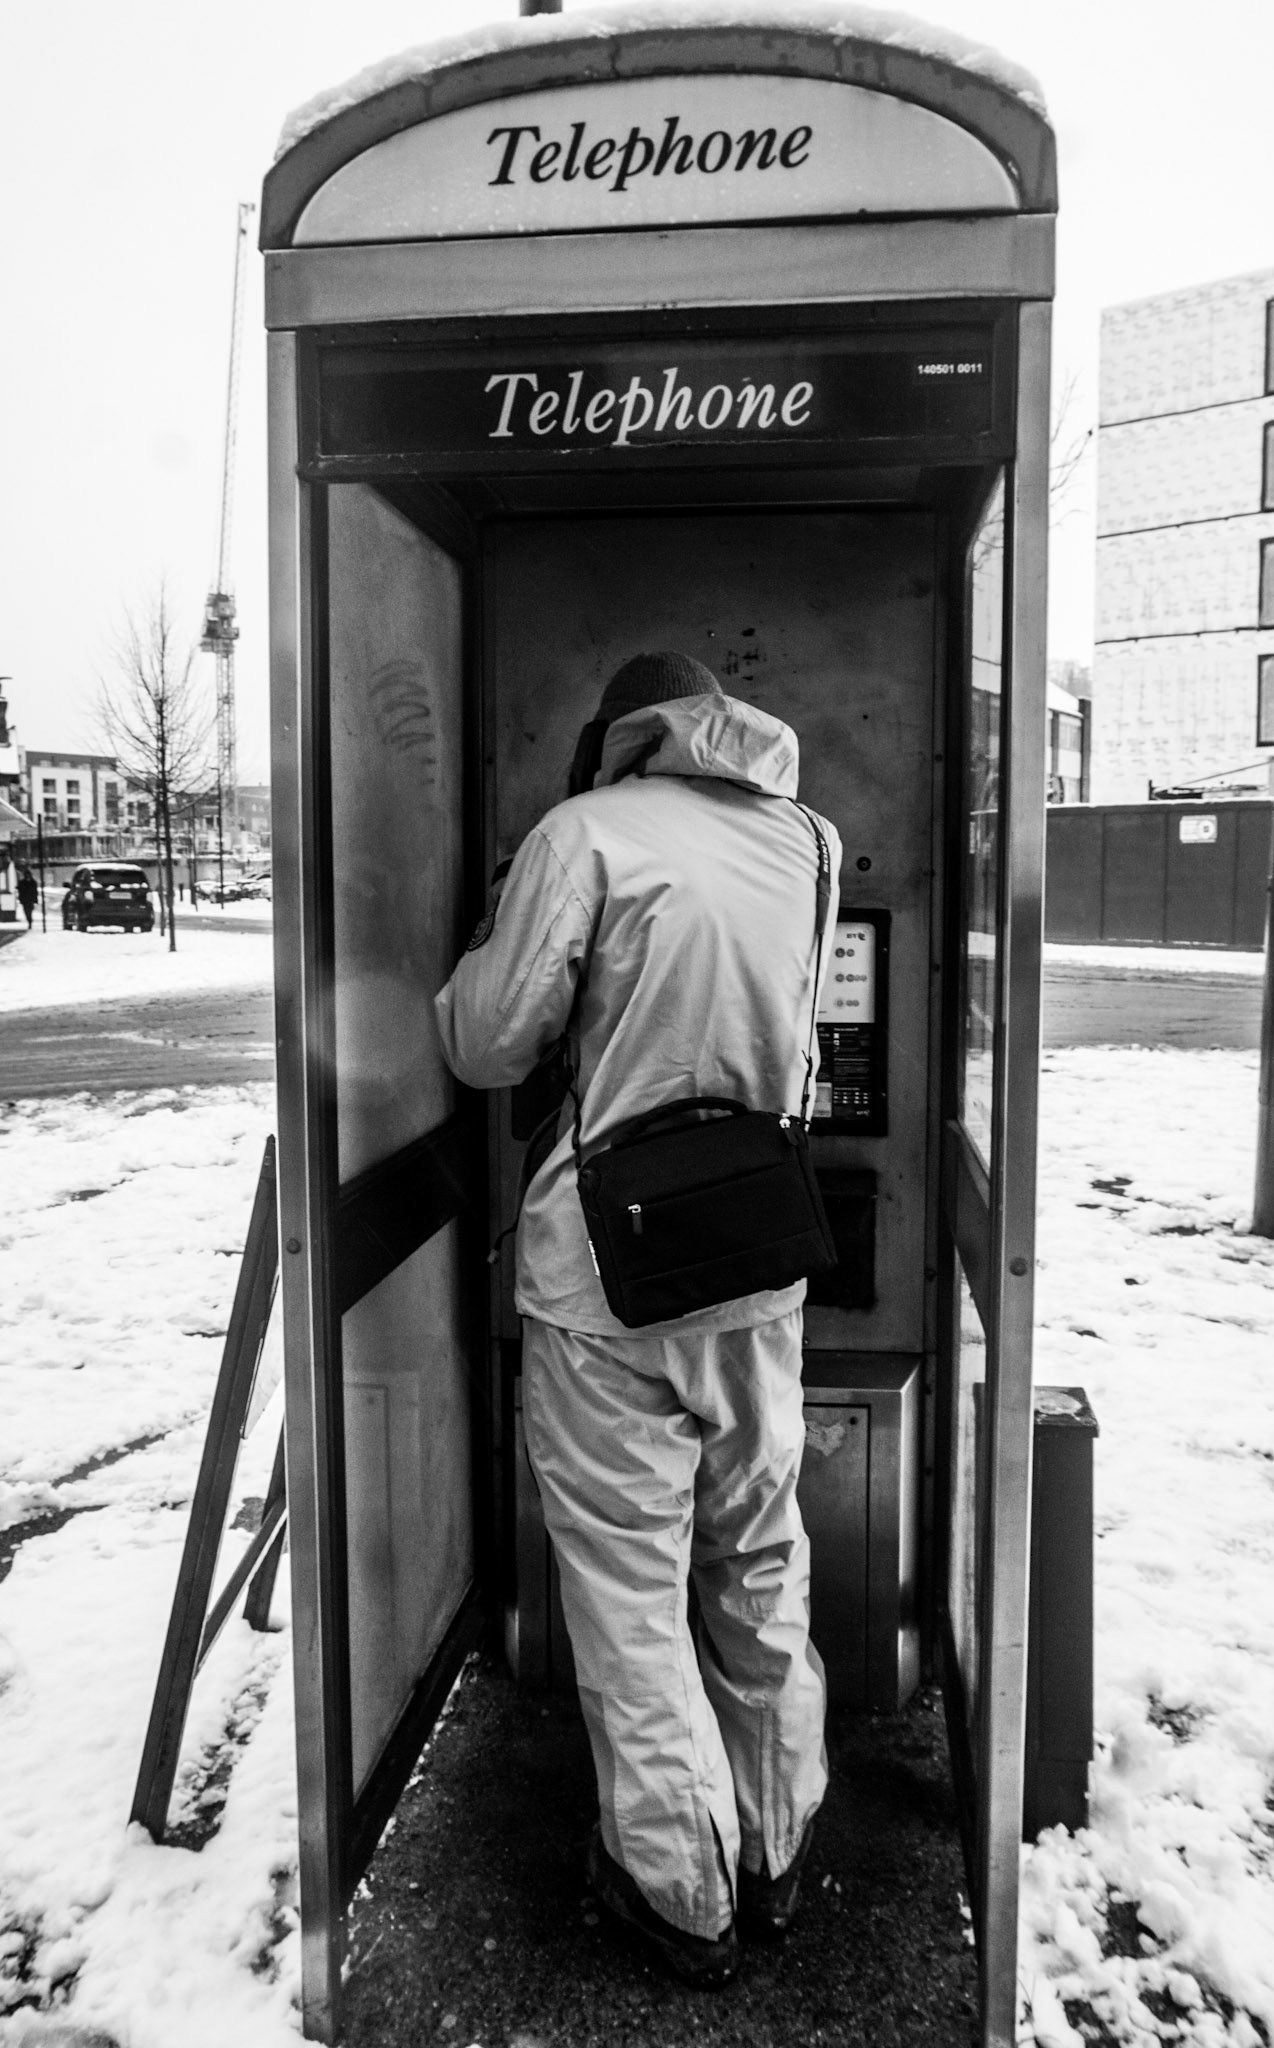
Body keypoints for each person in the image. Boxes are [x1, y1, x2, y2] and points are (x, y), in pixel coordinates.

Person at [436, 651, 841, 1988]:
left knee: (628, 1597)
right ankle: (778, 1846)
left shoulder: (579, 837)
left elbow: (491, 1043)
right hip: (757, 1263)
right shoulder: (808, 839)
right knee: (756, 1556)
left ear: (618, 744)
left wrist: (478, 960)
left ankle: (679, 1894)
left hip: (601, 1284)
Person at [16, 866, 38, 930]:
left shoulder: (33, 882)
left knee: (29, 911)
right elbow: (20, 890)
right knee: (26, 912)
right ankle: (29, 920)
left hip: (30, 900)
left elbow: (35, 892)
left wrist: (35, 899)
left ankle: (30, 921)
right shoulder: (22, 882)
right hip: (25, 900)